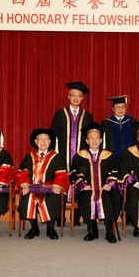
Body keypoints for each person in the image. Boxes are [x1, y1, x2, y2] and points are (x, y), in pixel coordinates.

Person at [71, 123, 122, 243]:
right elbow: (74, 173)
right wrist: (83, 184)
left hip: (106, 188)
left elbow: (115, 171)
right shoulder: (79, 156)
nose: (94, 141)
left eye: (97, 138)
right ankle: (92, 229)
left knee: (107, 198)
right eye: (91, 138)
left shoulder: (109, 155)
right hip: (88, 189)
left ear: (100, 140)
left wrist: (109, 184)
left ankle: (109, 231)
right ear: (87, 141)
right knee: (88, 197)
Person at [51, 81, 94, 225]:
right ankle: (59, 217)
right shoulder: (59, 114)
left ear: (82, 99)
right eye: (73, 96)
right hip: (62, 156)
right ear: (68, 97)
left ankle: (76, 217)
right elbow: (53, 136)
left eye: (79, 96)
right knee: (60, 184)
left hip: (80, 159)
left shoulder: (87, 116)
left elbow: (90, 138)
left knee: (80, 184)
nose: (76, 99)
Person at [15, 129, 69, 240]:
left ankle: (51, 229)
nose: (43, 142)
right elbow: (22, 172)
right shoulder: (29, 157)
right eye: (40, 139)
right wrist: (24, 185)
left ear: (49, 142)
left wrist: (57, 185)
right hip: (32, 188)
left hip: (49, 188)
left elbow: (61, 173)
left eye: (46, 139)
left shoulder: (56, 157)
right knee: (28, 198)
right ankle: (34, 228)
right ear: (36, 141)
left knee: (52, 197)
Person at [101, 95, 137, 163]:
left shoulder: (132, 121)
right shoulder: (106, 123)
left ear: (126, 108)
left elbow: (136, 140)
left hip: (130, 157)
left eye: (123, 107)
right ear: (112, 108)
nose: (120, 109)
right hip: (112, 157)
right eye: (117, 107)